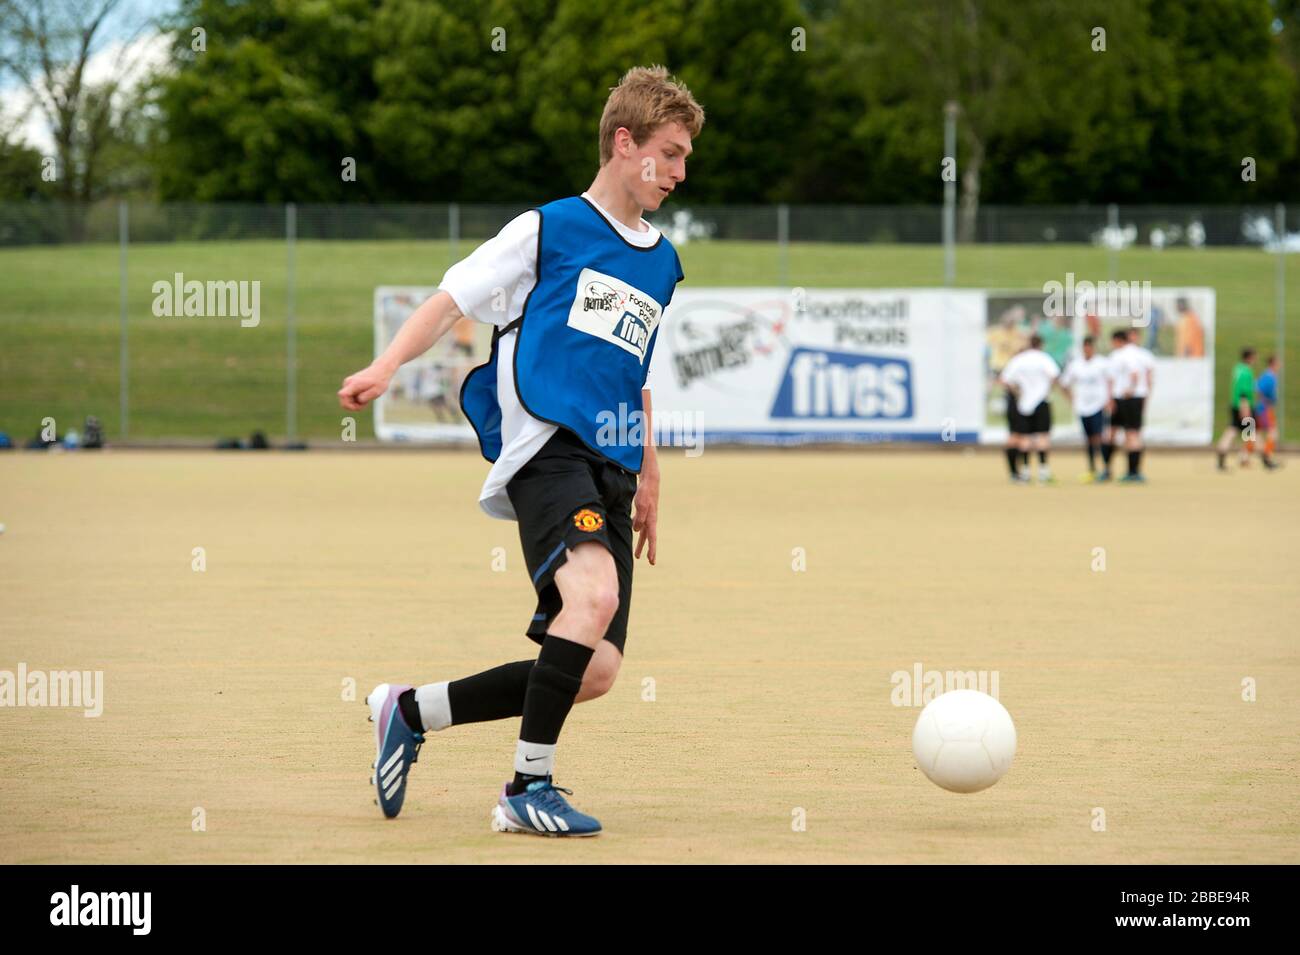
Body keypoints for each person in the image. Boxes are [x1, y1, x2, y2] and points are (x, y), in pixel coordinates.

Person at [336, 66, 705, 837]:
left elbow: (633, 373)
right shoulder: (548, 228)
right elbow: (449, 300)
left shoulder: (663, 263)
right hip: (548, 448)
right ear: (623, 141)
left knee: (595, 667)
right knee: (592, 597)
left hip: (611, 463)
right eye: (669, 153)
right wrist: (386, 365)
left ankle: (408, 710)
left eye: (685, 159)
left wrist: (649, 474)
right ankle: (525, 788)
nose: (678, 172)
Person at [1000, 334, 1060, 483]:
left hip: (1023, 403)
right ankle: (1043, 472)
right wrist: (1046, 390)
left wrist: (1017, 393)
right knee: (1043, 437)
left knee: (1025, 438)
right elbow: (1054, 376)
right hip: (1041, 401)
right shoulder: (1044, 358)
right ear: (1041, 345)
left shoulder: (1019, 360)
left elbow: (1005, 380)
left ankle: (1025, 472)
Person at [1104, 328, 1154, 483]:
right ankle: (1132, 471)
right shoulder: (1140, 354)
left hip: (1125, 398)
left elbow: (1133, 374)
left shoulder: (1121, 355)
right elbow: (1148, 376)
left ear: (1117, 341)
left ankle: (1117, 470)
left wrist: (1129, 390)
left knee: (1127, 434)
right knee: (1128, 434)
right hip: (1134, 397)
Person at [1058, 336, 1111, 480]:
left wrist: (1109, 399)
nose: (1087, 350)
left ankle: (1106, 468)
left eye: (1089, 347)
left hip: (1098, 405)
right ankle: (1092, 468)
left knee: (1100, 437)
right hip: (1082, 407)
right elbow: (1064, 383)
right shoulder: (1076, 364)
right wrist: (1071, 399)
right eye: (1085, 348)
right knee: (1088, 439)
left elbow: (1111, 381)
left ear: (1094, 348)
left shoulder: (1102, 363)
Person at [1217, 347, 1259, 471]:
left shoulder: (1237, 368)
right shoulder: (1247, 371)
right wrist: (1245, 409)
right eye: (1254, 357)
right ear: (1250, 357)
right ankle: (1244, 458)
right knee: (1249, 433)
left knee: (1232, 431)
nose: (1255, 359)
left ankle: (1221, 457)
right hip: (1244, 406)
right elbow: (1243, 392)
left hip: (1234, 405)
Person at [1255, 355, 1280, 470]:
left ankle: (1244, 457)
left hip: (1263, 407)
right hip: (1264, 408)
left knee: (1256, 433)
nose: (1280, 365)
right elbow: (1258, 390)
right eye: (1278, 362)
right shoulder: (1269, 376)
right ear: (1273, 363)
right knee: (1273, 432)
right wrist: (1264, 403)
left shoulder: (1270, 375)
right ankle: (1266, 456)